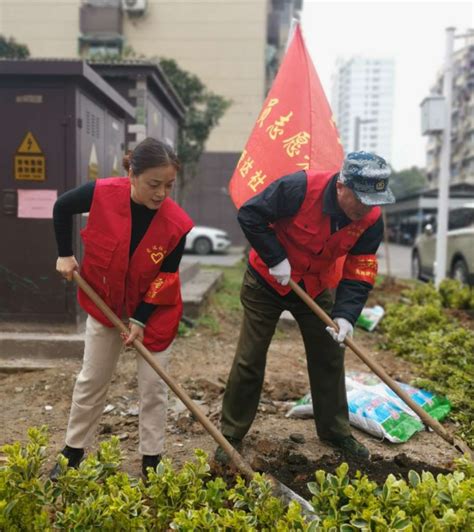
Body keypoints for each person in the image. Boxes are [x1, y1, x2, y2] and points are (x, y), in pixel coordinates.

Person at [216, 151, 395, 463]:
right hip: (267, 280)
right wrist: (275, 257)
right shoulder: (299, 188)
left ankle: (335, 430)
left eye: (373, 201)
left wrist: (346, 315)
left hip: (315, 284)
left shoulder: (370, 219)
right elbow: (250, 214)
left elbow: (360, 267)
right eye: (361, 199)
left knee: (329, 353)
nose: (367, 208)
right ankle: (231, 433)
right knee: (250, 357)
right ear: (342, 186)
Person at [49, 137, 193, 480]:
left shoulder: (177, 224)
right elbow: (61, 208)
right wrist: (64, 254)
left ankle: (152, 460)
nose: (161, 193)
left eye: (169, 185)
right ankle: (73, 450)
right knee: (92, 379)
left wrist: (140, 319)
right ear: (132, 173)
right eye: (153, 184)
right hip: (104, 303)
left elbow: (166, 276)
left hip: (154, 312)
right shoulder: (100, 193)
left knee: (153, 386)